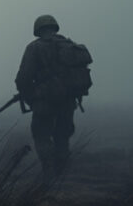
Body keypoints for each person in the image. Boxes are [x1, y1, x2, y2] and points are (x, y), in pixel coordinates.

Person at [15, 15, 92, 182]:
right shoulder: (69, 45)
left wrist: (31, 98)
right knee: (62, 137)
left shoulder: (35, 47)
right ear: (54, 27)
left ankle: (49, 175)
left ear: (38, 29)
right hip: (68, 101)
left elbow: (23, 78)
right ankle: (61, 177)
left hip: (45, 102)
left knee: (42, 136)